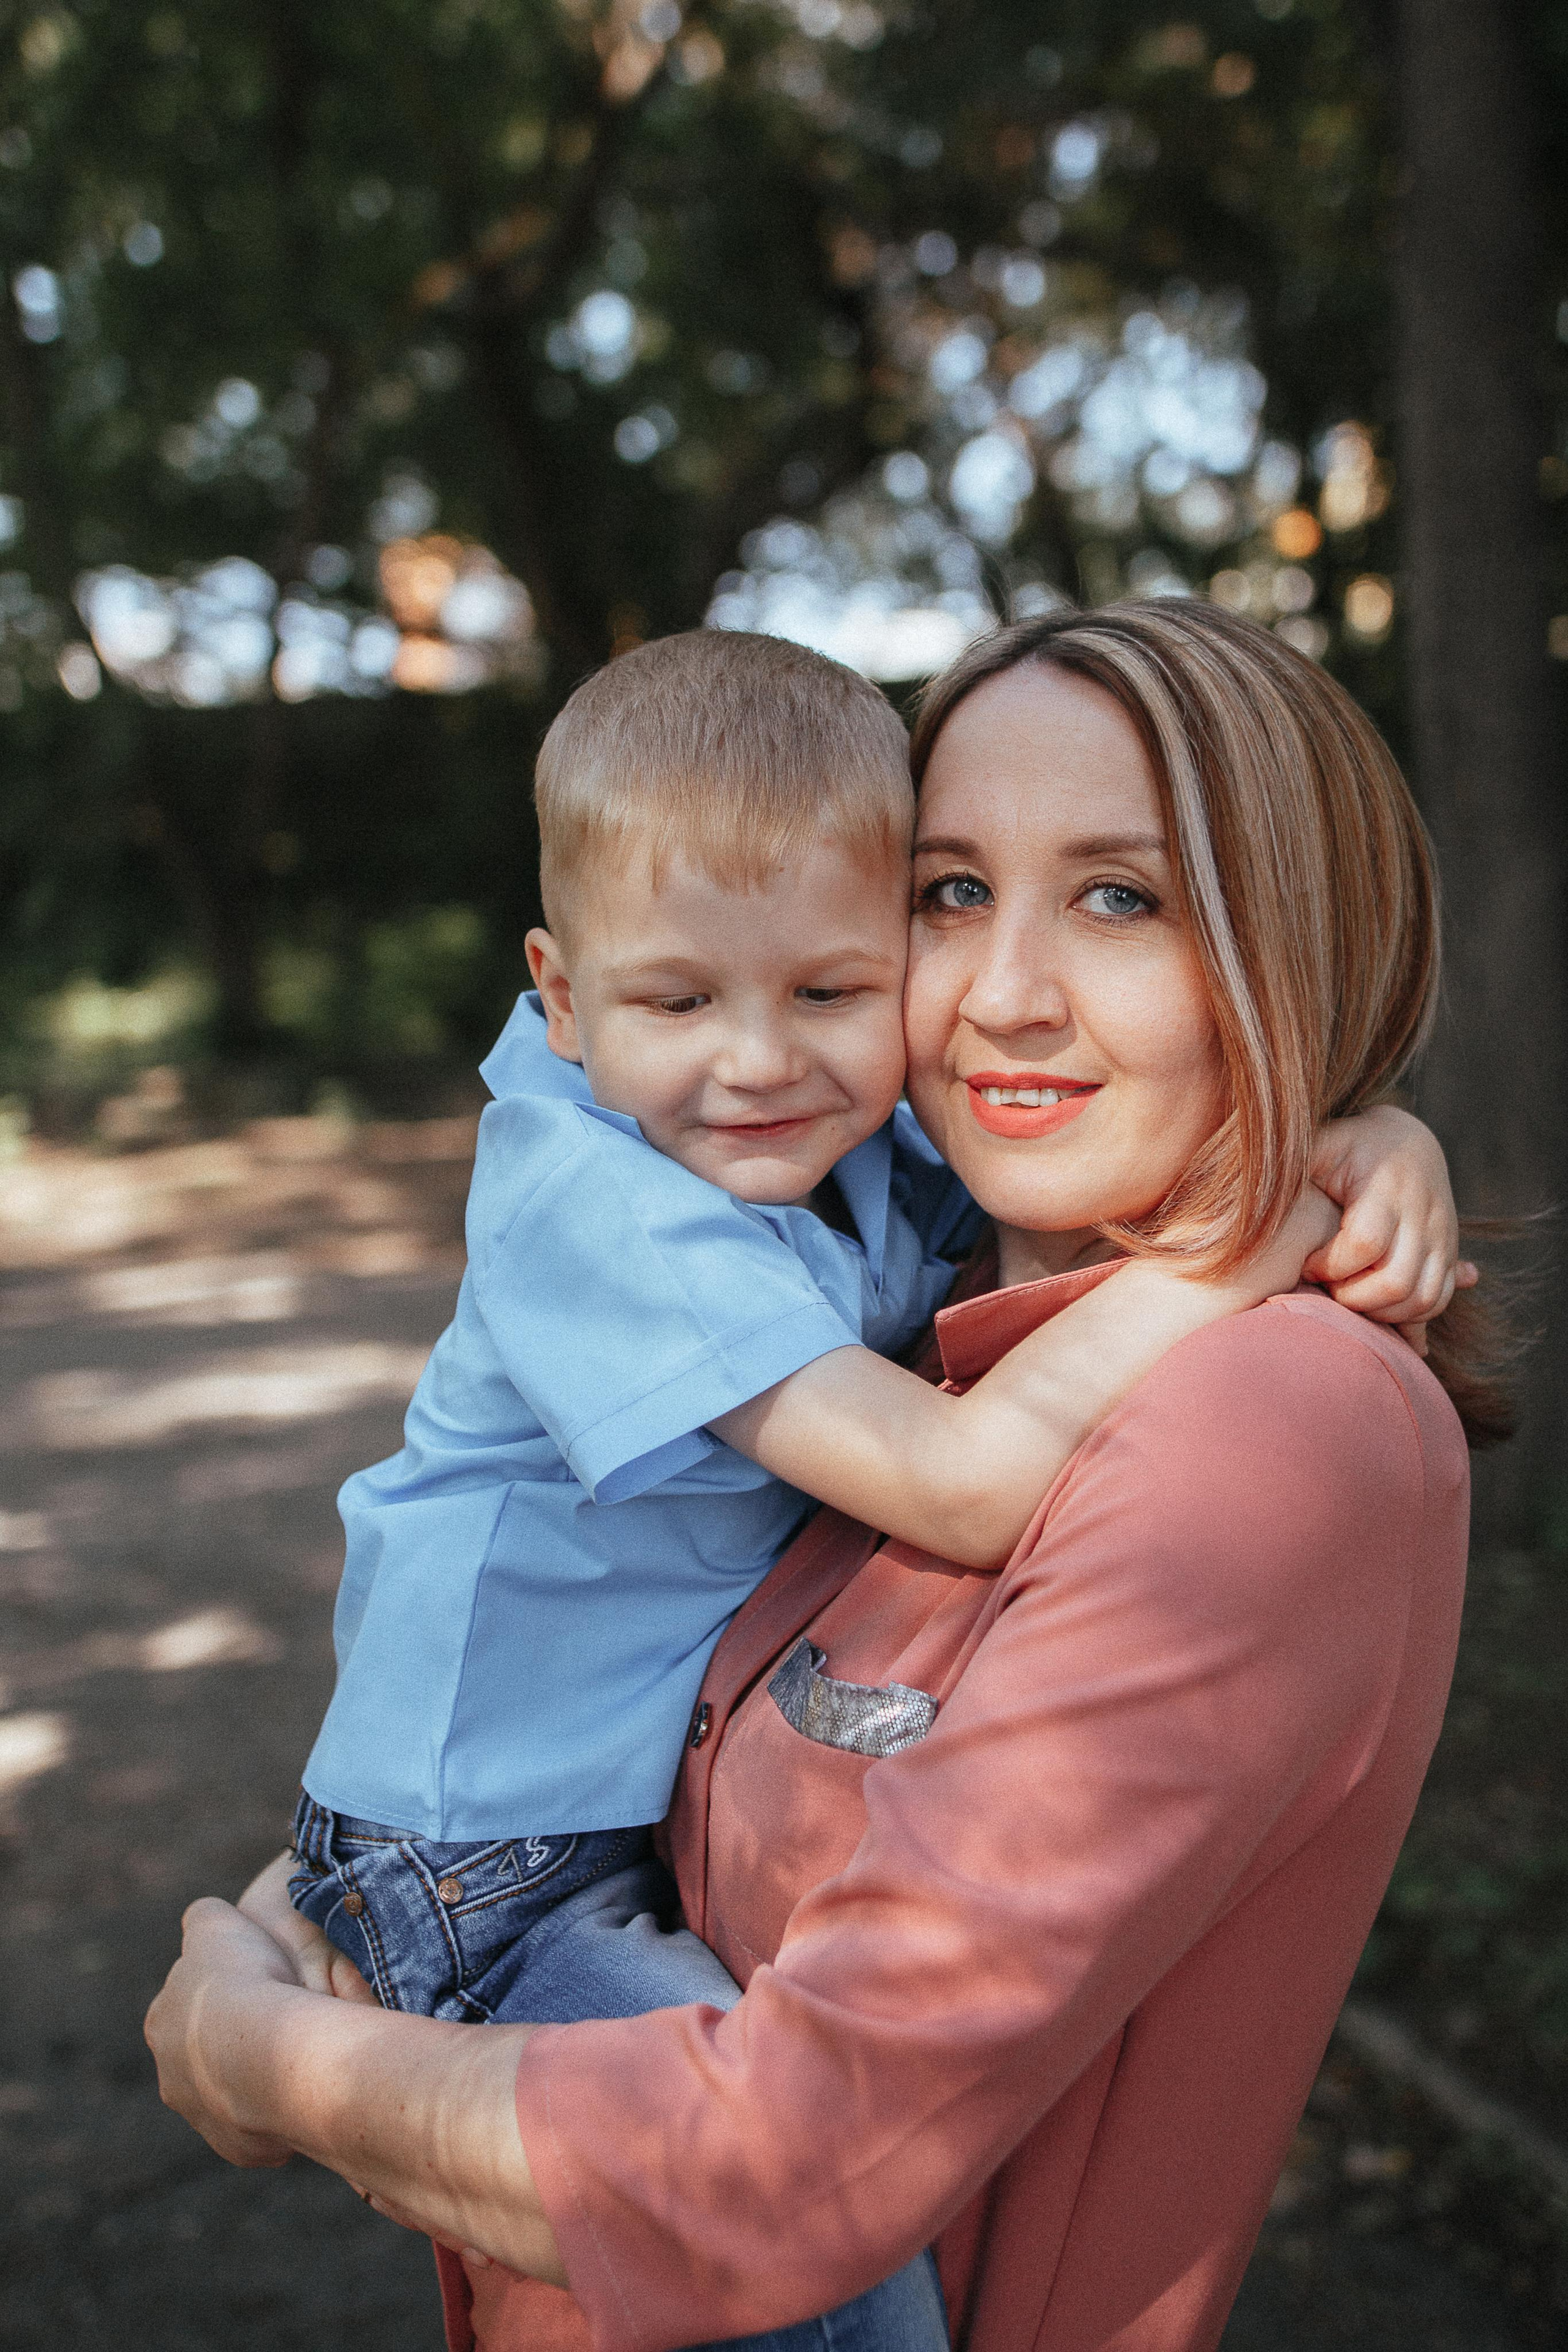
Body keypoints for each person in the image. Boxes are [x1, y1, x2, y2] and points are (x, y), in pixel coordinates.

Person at [148, 602, 1488, 2352]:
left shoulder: (1268, 1423)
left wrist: (283, 2067)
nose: (1002, 991)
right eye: (949, 892)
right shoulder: (892, 1266)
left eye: (1121, 895)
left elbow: (771, 2177)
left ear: (1297, 949)